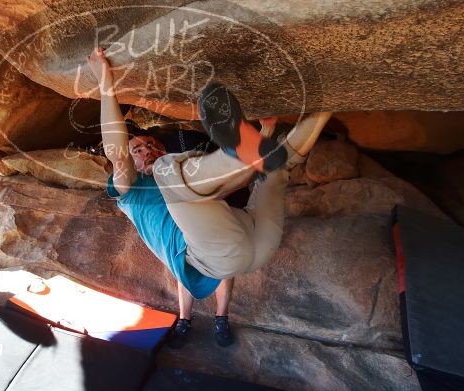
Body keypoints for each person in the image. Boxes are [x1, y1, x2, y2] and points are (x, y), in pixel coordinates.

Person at [87, 47, 331, 347]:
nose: (147, 150)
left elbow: (231, 184)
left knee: (277, 168)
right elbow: (116, 149)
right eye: (138, 150)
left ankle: (325, 108)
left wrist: (266, 135)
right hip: (215, 256)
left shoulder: (183, 181)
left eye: (152, 144)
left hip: (252, 242)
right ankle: (238, 149)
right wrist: (104, 81)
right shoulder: (131, 190)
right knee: (167, 172)